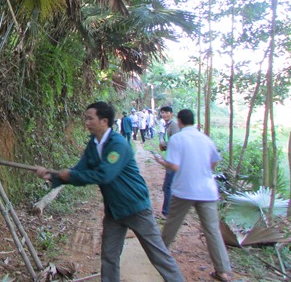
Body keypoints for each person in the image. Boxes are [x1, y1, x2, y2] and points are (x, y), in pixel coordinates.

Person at [35, 102, 184, 282]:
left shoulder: (118, 144)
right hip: (114, 211)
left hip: (136, 208)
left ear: (104, 121)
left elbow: (104, 175)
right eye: (86, 119)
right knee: (109, 257)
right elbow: (80, 170)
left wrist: (71, 175)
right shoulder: (93, 144)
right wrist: (52, 176)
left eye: (90, 118)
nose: (86, 123)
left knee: (159, 256)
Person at [153, 109, 234, 282]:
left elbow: (173, 166)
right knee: (212, 230)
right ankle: (222, 270)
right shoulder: (205, 138)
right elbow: (215, 160)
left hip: (185, 190)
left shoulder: (177, 139)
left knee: (171, 226)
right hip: (207, 190)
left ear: (180, 121)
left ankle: (158, 257)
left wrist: (161, 161)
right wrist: (203, 170)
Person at [158, 106, 179, 218]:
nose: (164, 115)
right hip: (171, 158)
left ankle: (167, 212)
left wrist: (164, 144)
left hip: (174, 160)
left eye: (166, 113)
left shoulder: (173, 125)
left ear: (171, 114)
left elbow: (175, 142)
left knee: (168, 187)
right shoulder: (168, 125)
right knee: (169, 186)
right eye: (162, 113)